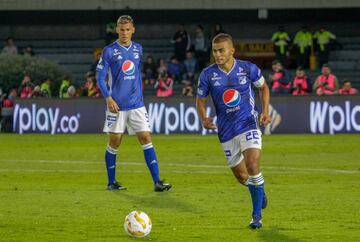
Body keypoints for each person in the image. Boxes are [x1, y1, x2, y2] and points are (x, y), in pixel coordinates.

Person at [196, 33, 270, 229]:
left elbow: (263, 88)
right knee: (242, 177)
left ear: (231, 51)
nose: (217, 54)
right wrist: (204, 118)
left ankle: (256, 216)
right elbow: (200, 100)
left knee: (252, 164)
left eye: (221, 50)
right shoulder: (207, 74)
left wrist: (265, 111)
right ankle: (259, 191)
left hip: (248, 123)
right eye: (214, 51)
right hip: (226, 130)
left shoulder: (247, 69)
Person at [96, 15, 171, 192]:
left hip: (137, 104)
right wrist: (108, 98)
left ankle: (157, 182)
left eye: (127, 29)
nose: (124, 33)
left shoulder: (138, 49)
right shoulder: (109, 51)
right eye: (121, 30)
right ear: (116, 30)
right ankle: (111, 182)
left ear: (133, 30)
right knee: (115, 141)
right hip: (117, 105)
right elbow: (100, 78)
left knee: (146, 138)